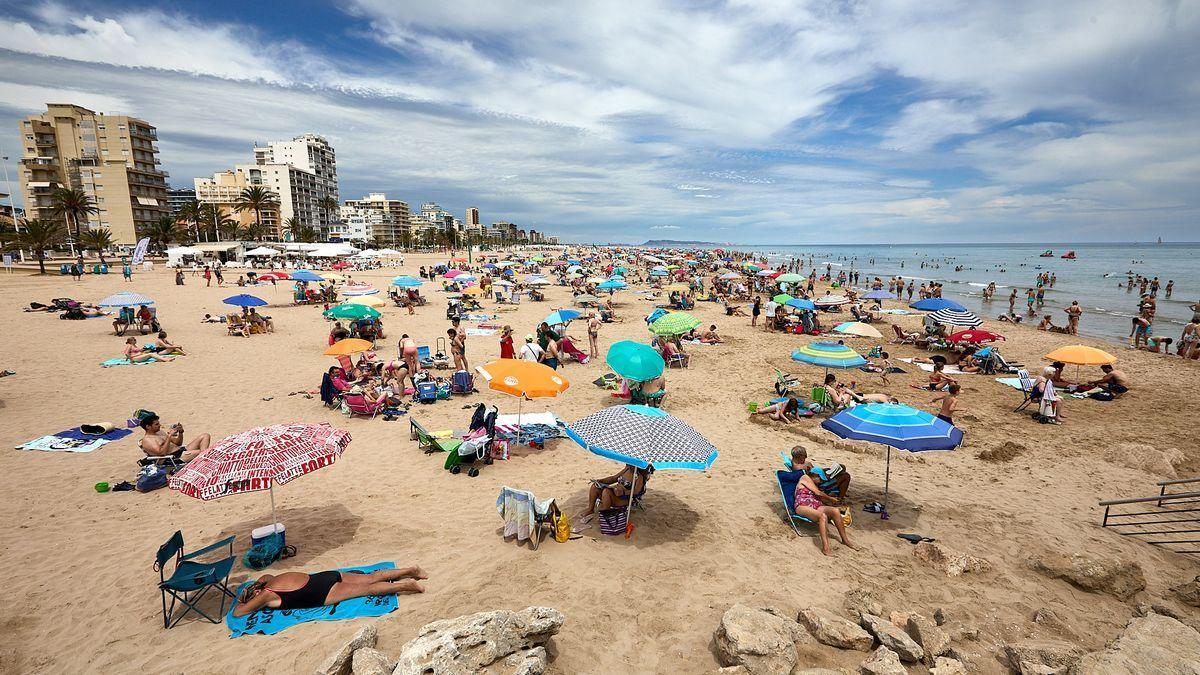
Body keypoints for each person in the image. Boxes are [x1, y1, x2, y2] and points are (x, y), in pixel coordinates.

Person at [233, 566, 427, 617]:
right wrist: (254, 586)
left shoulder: (267, 595)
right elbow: (264, 576)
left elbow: (239, 612)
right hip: (324, 576)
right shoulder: (269, 581)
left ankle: (406, 585)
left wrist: (244, 601)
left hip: (322, 592)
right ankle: (411, 570)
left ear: (256, 594)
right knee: (370, 577)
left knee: (368, 589)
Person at [792, 468, 857, 556]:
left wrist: (831, 499)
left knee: (835, 511)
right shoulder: (805, 477)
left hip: (815, 505)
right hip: (802, 506)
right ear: (815, 475)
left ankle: (845, 540)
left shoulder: (814, 484)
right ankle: (826, 548)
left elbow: (819, 496)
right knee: (822, 516)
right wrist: (831, 499)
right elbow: (818, 493)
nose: (821, 482)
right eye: (821, 479)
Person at [575, 465, 652, 527]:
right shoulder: (627, 469)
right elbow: (613, 478)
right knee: (594, 487)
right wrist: (600, 481)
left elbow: (636, 492)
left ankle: (605, 515)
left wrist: (623, 492)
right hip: (615, 492)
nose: (628, 464)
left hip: (624, 499)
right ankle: (590, 509)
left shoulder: (639, 477)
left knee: (606, 492)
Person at [139, 414, 208, 462]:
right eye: (156, 424)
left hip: (181, 450)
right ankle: (203, 459)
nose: (160, 425)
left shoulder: (160, 432)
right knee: (203, 452)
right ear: (148, 427)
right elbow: (162, 453)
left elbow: (178, 443)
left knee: (205, 435)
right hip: (174, 457)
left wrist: (180, 433)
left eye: (158, 423)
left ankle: (202, 459)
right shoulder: (148, 440)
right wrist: (169, 436)